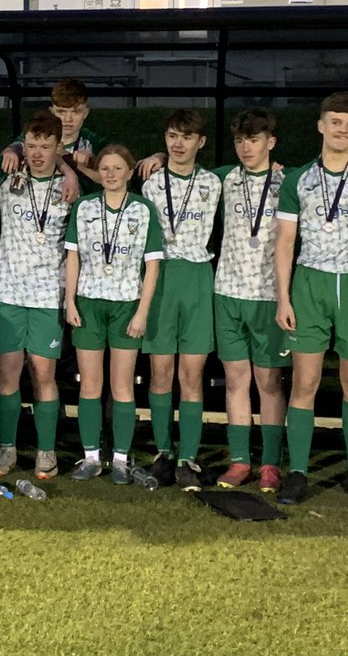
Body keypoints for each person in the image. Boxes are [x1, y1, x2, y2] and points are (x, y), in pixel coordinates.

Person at [274, 92, 348, 506]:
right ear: (320, 126)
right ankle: (299, 473)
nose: (342, 130)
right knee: (304, 382)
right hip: (310, 285)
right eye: (335, 122)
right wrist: (283, 298)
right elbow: (285, 242)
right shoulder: (297, 179)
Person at [64, 144, 163, 482]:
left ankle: (120, 459)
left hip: (126, 305)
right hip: (89, 303)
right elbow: (73, 257)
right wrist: (70, 300)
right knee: (90, 385)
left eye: (117, 168)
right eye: (104, 168)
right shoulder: (84, 207)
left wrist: (142, 312)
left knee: (122, 386)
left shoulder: (144, 209)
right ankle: (91, 457)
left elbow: (151, 267)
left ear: (129, 171)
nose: (110, 174)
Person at [138, 108, 221, 491]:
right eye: (172, 135)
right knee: (160, 373)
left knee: (191, 375)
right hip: (160, 277)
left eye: (187, 137)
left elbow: (261, 172)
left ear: (200, 142)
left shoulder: (217, 182)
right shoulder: (151, 180)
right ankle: (162, 453)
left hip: (197, 278)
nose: (178, 143)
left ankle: (189, 455)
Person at [207, 109, 289, 492]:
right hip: (227, 291)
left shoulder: (288, 181)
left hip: (269, 295)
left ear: (270, 142)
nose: (246, 148)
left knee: (269, 382)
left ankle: (270, 463)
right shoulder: (224, 178)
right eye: (240, 140)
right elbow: (182, 167)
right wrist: (157, 158)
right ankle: (240, 461)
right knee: (236, 381)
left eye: (254, 140)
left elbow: (334, 168)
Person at [0, 111, 73, 480]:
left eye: (46, 146)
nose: (38, 153)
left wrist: (70, 169)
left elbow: (104, 174)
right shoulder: (7, 179)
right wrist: (9, 150)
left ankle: (45, 451)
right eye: (32, 145)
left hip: (47, 296)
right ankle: (6, 448)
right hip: (7, 291)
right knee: (6, 375)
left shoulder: (70, 190)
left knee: (43, 375)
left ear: (59, 147)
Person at [2, 79, 106, 190]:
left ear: (85, 113)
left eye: (76, 112)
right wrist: (10, 151)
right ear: (52, 112)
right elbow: (16, 146)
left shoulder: (93, 142)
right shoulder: (36, 136)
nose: (68, 119)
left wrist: (92, 162)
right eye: (61, 112)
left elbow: (112, 174)